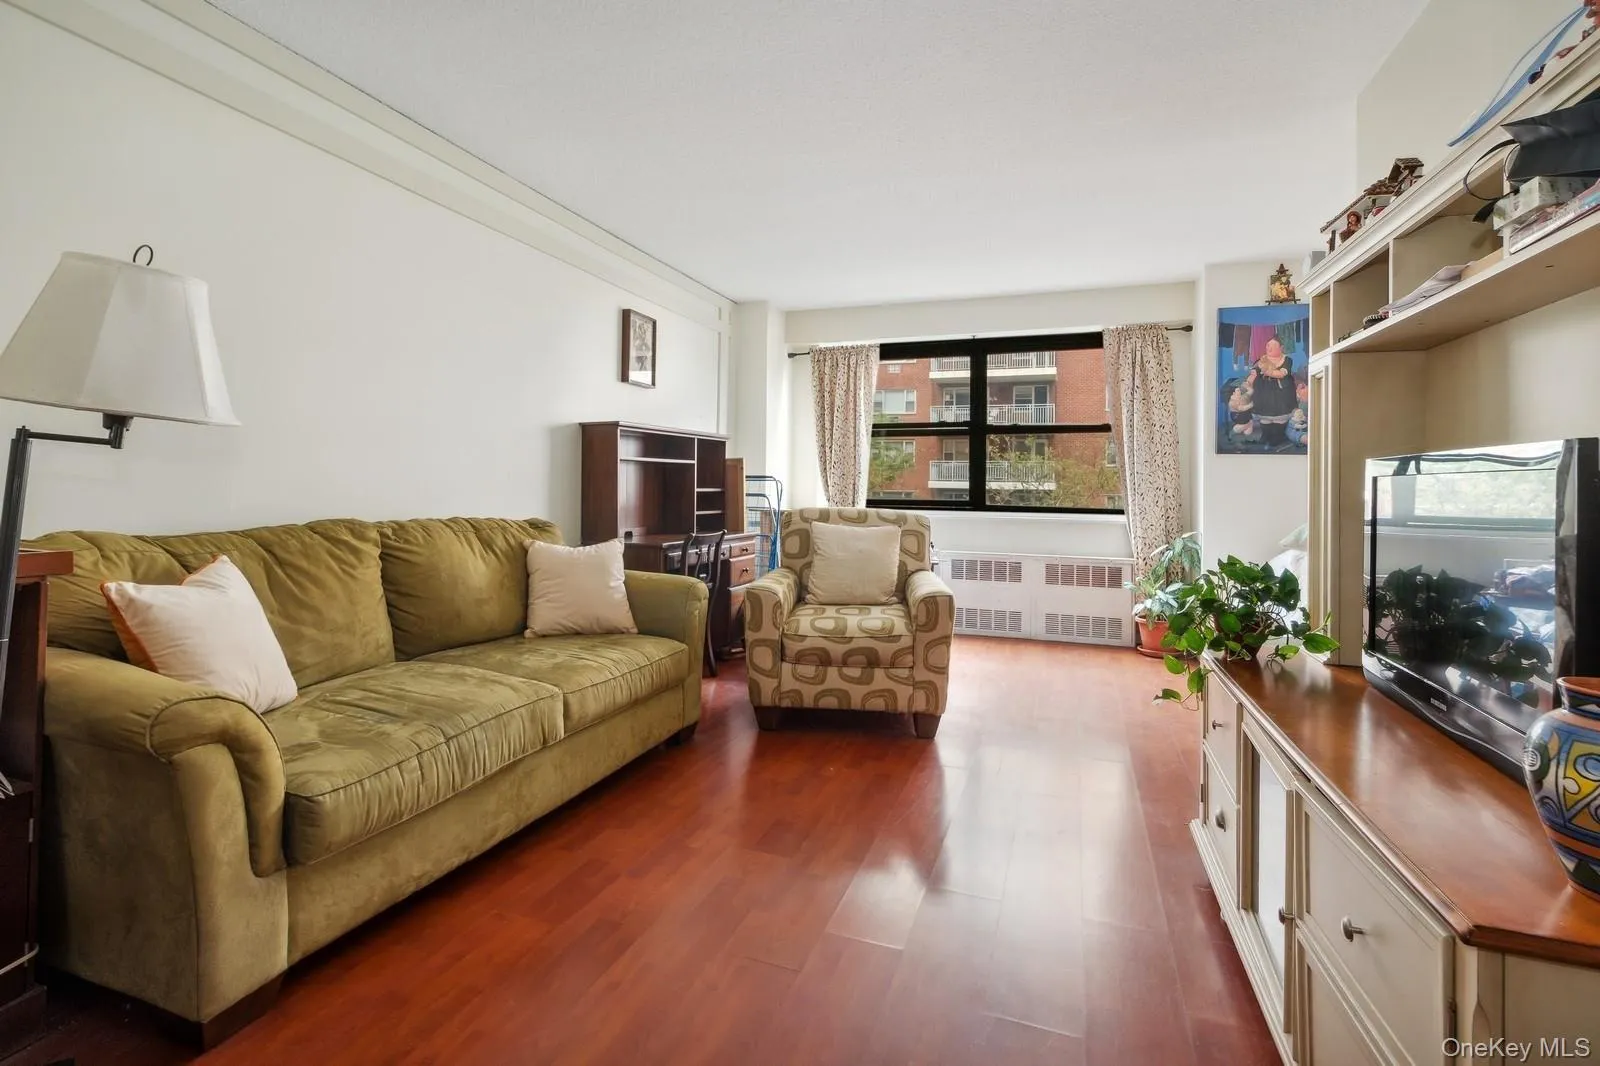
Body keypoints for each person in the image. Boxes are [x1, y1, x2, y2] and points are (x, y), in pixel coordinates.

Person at [1247, 338, 1298, 446]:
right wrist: (1250, 380)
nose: (1269, 348)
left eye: (1273, 345)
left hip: (1281, 392)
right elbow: (1254, 373)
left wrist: (1267, 371)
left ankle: (1278, 436)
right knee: (1265, 416)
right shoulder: (1261, 360)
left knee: (1280, 416)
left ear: (1281, 348)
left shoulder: (1286, 360)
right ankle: (1266, 435)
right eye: (1267, 345)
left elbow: (1281, 374)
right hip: (1263, 392)